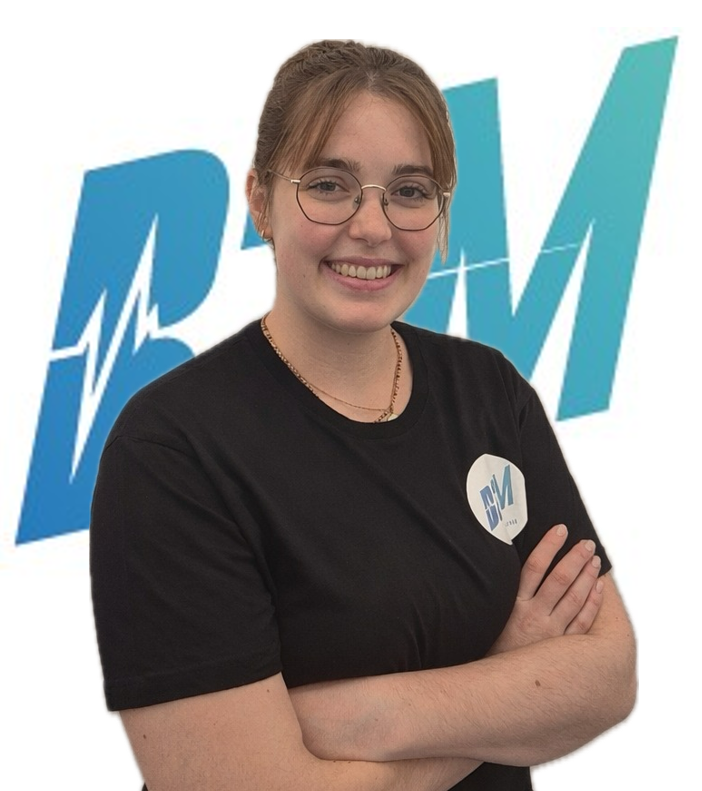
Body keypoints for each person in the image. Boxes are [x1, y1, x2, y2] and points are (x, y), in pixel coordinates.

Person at [90, 40, 636, 791]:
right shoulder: (173, 450)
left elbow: (608, 674)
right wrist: (509, 684)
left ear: (442, 216)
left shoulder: (490, 393)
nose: (373, 226)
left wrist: (356, 719)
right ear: (260, 202)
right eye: (329, 185)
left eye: (409, 191)